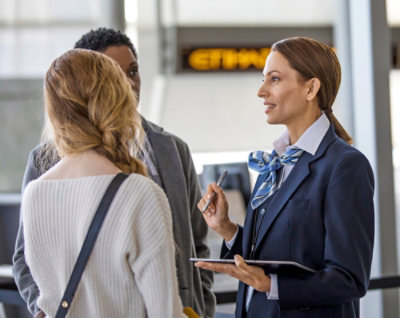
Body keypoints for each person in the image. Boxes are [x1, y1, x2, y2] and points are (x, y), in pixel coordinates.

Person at [13, 28, 215, 318]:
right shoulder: (48, 163)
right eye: (115, 75)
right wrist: (42, 309)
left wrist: (201, 308)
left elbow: (196, 243)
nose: (129, 84)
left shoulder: (171, 149)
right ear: (92, 87)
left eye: (133, 71)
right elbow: (26, 260)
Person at [196, 37, 374, 318]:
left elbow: (349, 279)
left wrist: (270, 284)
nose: (261, 91)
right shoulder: (275, 161)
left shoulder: (345, 165)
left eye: (274, 79)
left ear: (311, 88)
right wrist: (227, 228)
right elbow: (271, 254)